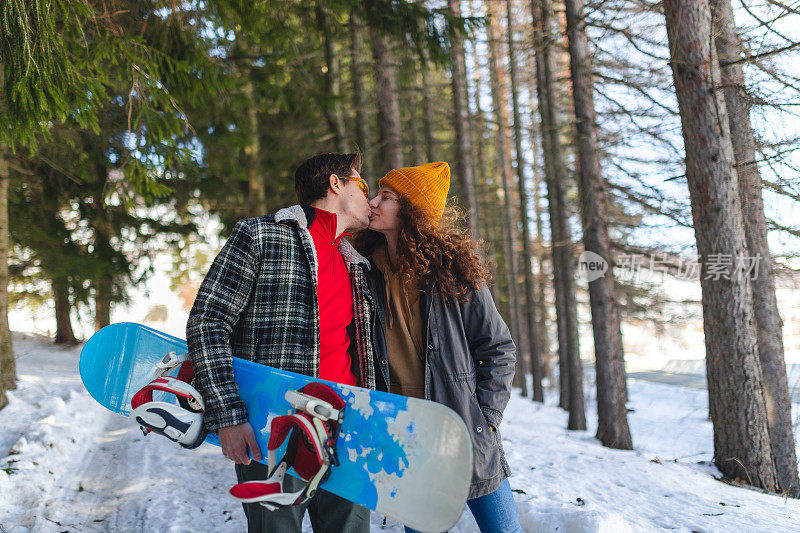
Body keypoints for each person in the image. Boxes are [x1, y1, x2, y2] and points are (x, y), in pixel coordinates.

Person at [186, 152, 375, 533]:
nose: (369, 201)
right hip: (274, 431)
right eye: (362, 185)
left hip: (346, 431)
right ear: (336, 184)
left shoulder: (356, 263)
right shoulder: (261, 235)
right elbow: (208, 323)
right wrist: (229, 415)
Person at [354, 162, 523, 533]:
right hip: (407, 431)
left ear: (412, 210)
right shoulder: (365, 270)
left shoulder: (453, 272)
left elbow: (498, 348)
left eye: (386, 197)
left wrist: (487, 419)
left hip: (464, 426)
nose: (372, 203)